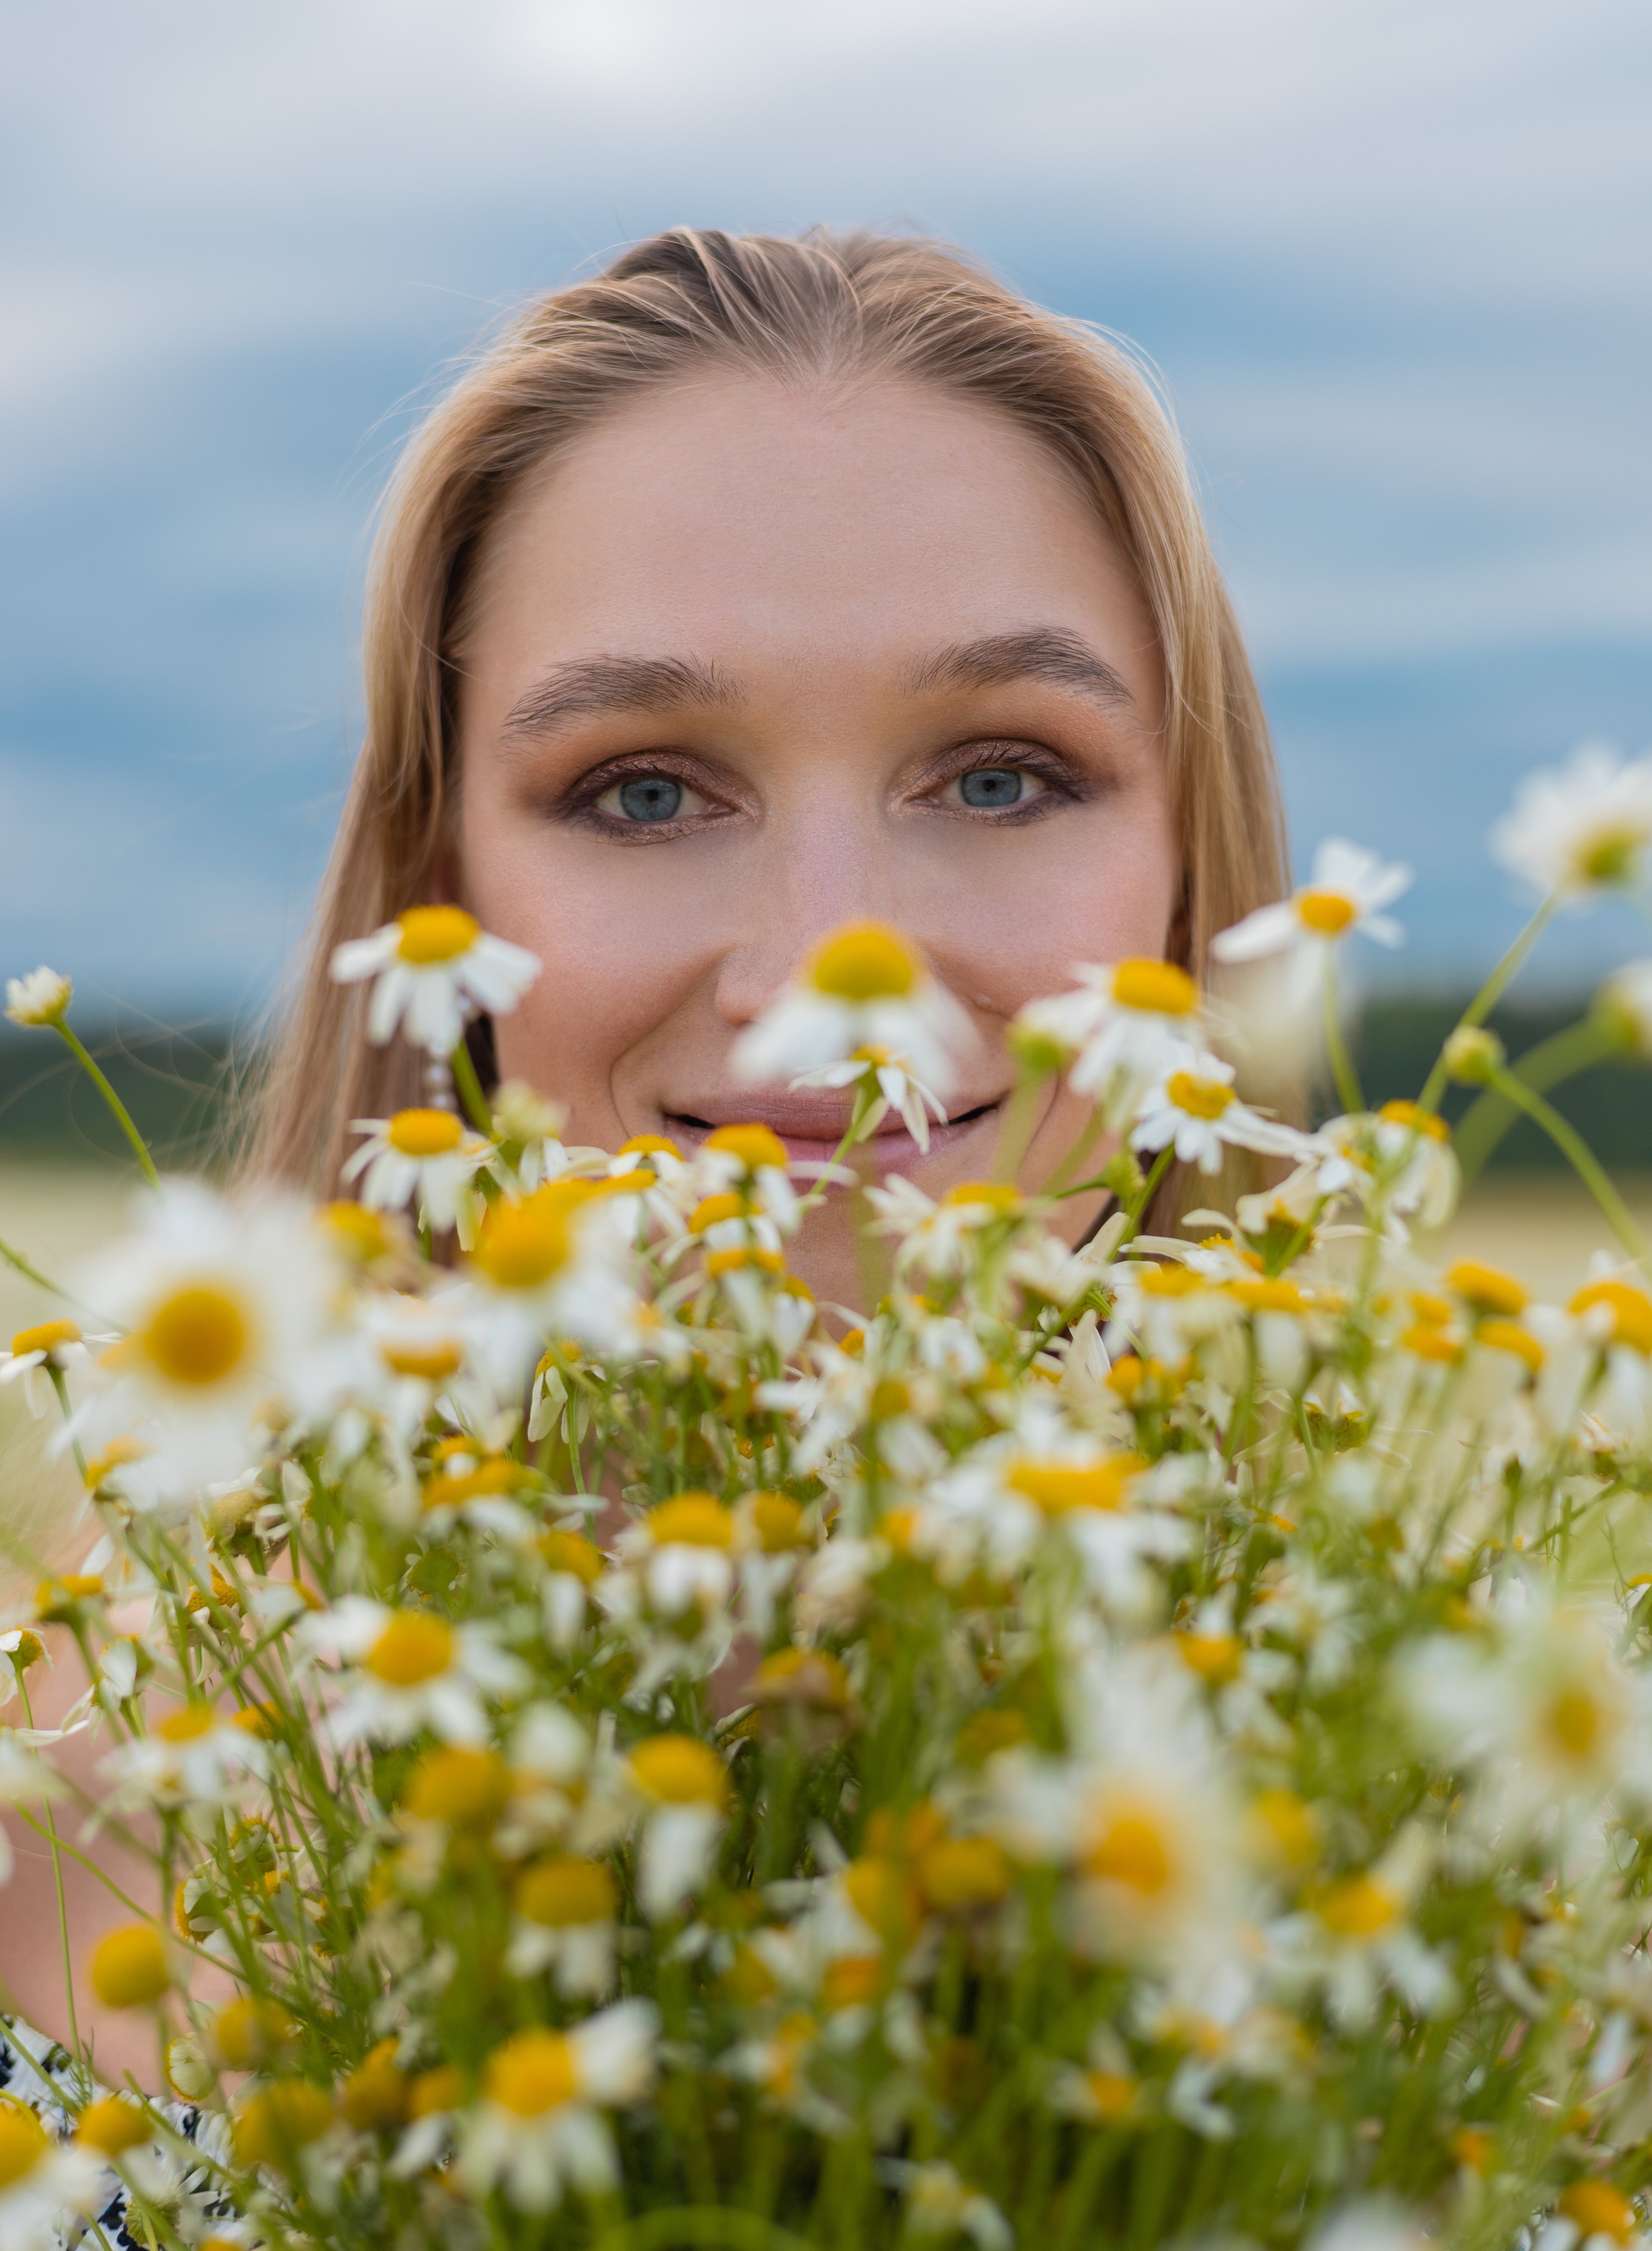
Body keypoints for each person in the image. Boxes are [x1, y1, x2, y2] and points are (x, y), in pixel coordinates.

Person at [0, 225, 1287, 2175]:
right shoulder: (70, 1808)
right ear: (443, 902)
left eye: (1007, 777)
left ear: (1190, 884)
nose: (831, 964)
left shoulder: (1526, 1852)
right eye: (646, 792)